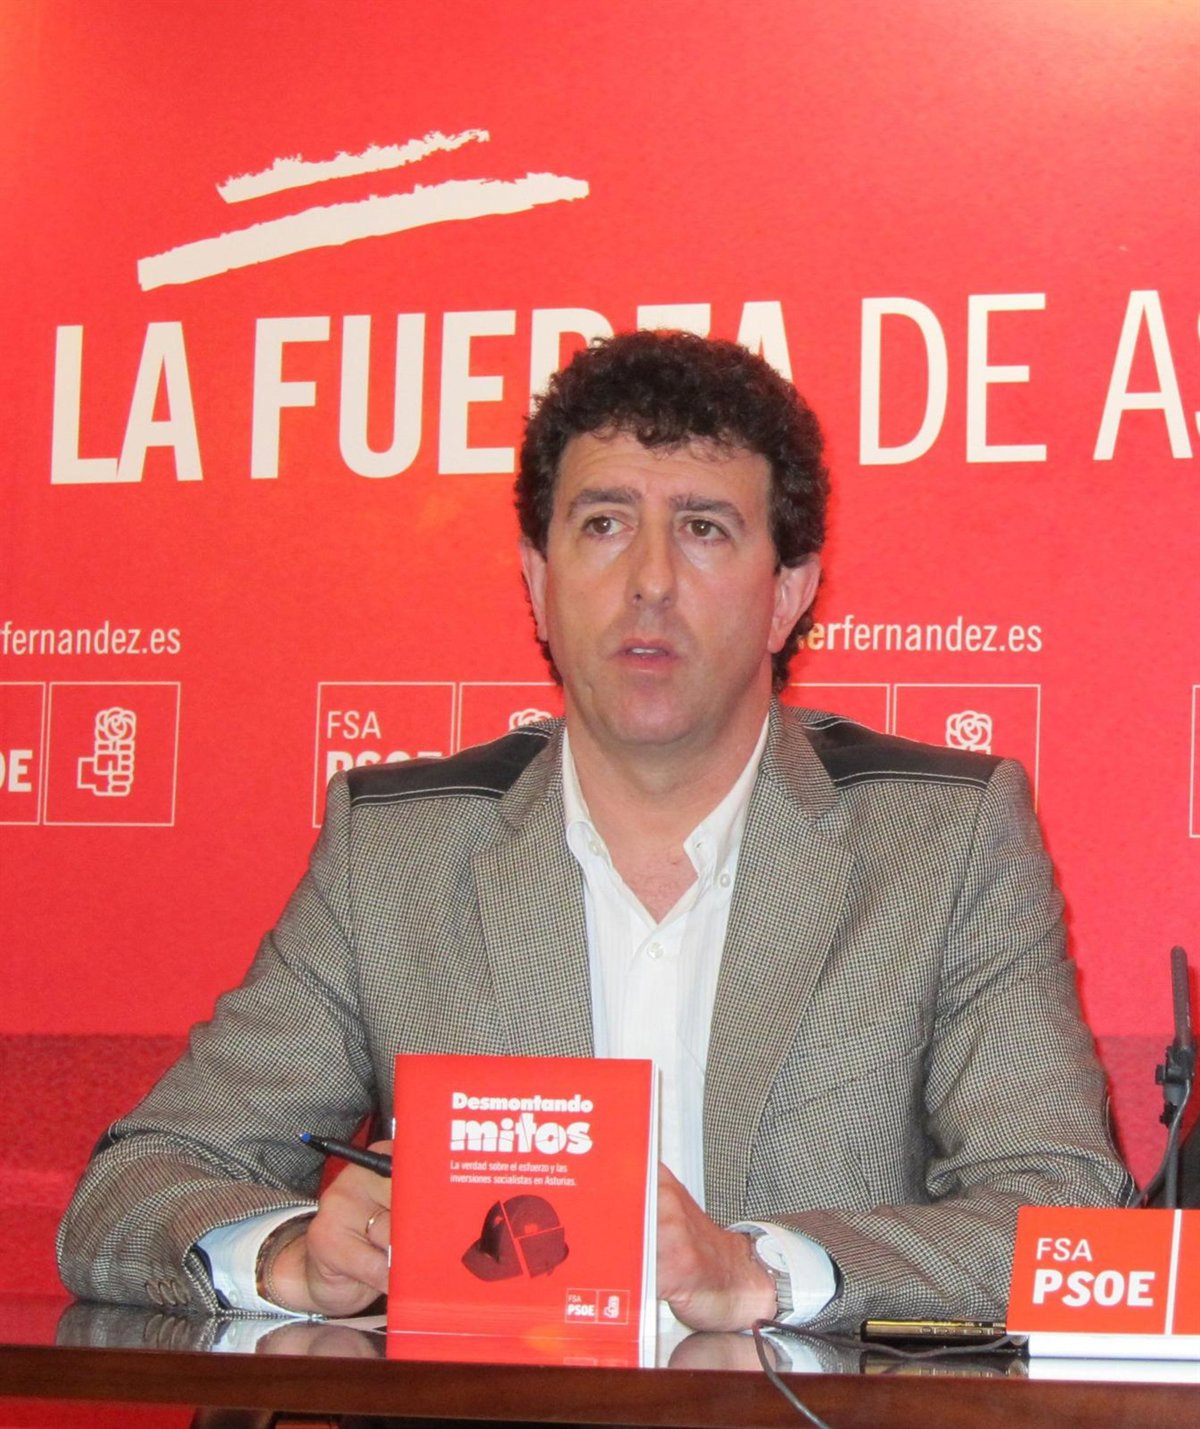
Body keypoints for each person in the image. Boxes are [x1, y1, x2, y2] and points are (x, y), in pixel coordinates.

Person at [57, 331, 1131, 1333]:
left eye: (704, 528)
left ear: (788, 594)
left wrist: (759, 1269)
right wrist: (293, 1253)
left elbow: (1066, 1215)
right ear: (538, 581)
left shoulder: (942, 844)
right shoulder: (393, 857)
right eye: (604, 524)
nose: (649, 582)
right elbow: (133, 1188)